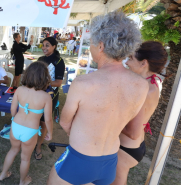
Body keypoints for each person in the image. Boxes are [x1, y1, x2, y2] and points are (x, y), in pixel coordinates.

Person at [47, 11, 149, 185]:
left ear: (100, 46)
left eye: (91, 42)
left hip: (80, 158)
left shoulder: (84, 83)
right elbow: (131, 125)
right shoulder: (142, 85)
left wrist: (82, 137)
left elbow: (65, 122)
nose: (91, 46)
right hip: (109, 161)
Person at [111, 41, 168, 184]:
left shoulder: (144, 89)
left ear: (144, 63)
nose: (127, 62)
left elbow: (132, 131)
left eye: (131, 58)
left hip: (126, 148)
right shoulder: (151, 82)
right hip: (133, 145)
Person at [0, 61, 53, 185]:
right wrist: (50, 133)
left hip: (16, 126)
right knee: (25, 158)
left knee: (12, 150)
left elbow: (13, 110)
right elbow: (48, 119)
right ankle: (22, 181)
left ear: (27, 74)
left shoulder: (19, 90)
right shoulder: (46, 97)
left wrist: (14, 120)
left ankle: (3, 174)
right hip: (31, 130)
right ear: (44, 78)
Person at [35, 37, 65, 160]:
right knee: (33, 118)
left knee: (43, 121)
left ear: (54, 46)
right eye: (43, 45)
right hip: (36, 94)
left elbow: (58, 83)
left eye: (47, 45)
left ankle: (38, 146)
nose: (44, 48)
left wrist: (44, 83)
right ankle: (30, 141)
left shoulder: (58, 61)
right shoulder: (40, 59)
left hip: (49, 96)